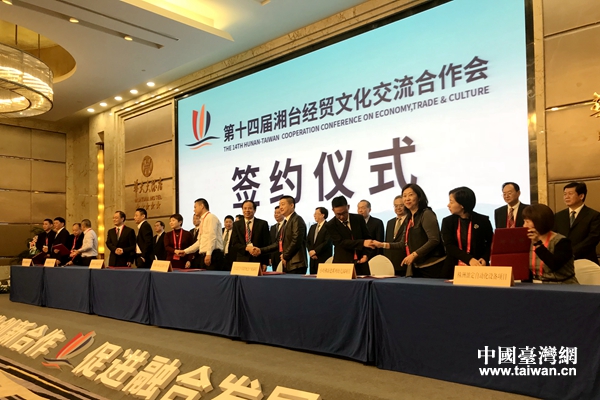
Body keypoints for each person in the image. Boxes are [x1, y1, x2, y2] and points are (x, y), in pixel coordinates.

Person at [375, 184, 445, 278]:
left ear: (419, 197)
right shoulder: (408, 218)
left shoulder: (426, 214)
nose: (407, 198)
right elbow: (403, 243)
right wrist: (381, 244)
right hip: (417, 266)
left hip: (432, 265)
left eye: (410, 195)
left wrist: (414, 255)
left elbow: (434, 240)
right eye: (404, 196)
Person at [441, 187, 494, 278]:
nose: (448, 205)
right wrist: (469, 259)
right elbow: (449, 245)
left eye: (451, 202)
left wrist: (485, 258)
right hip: (453, 268)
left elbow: (490, 242)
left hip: (478, 267)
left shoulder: (483, 220)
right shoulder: (448, 222)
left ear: (462, 205)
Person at [524, 204, 578, 284]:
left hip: (563, 285)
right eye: (524, 222)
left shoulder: (562, 242)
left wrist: (538, 244)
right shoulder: (528, 242)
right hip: (538, 286)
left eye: (527, 222)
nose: (524, 225)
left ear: (539, 222)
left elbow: (554, 265)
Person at [253, 195, 307, 274]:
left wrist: (285, 255)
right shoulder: (285, 222)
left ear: (292, 205)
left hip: (296, 264)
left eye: (283, 204)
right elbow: (278, 243)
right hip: (288, 263)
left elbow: (296, 241)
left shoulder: (297, 219)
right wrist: (261, 250)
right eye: (279, 204)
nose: (280, 207)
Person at [325, 196, 374, 276]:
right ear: (333, 210)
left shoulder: (358, 219)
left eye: (344, 213)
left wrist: (366, 255)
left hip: (361, 264)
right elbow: (341, 242)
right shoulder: (330, 225)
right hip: (342, 264)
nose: (342, 217)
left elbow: (367, 237)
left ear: (348, 207)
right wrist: (362, 243)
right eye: (338, 214)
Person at [554, 182, 600, 264]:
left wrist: (571, 253)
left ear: (581, 196)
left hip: (586, 261)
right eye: (565, 194)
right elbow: (554, 235)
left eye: (570, 193)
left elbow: (593, 239)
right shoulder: (558, 216)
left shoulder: (594, 215)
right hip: (563, 262)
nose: (566, 197)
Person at [177, 198, 224, 270]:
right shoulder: (203, 220)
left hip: (213, 254)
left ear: (202, 206)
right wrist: (185, 251)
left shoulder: (210, 217)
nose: (194, 210)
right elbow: (199, 242)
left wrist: (209, 254)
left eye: (195, 207)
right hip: (205, 255)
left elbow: (212, 237)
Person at [230, 201, 270, 270]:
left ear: (255, 210)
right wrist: (248, 248)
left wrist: (265, 262)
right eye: (245, 208)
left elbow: (266, 244)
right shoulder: (236, 224)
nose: (247, 210)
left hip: (258, 259)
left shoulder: (262, 224)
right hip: (241, 259)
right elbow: (235, 243)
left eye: (250, 208)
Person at [384, 195, 408, 276]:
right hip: (390, 263)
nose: (398, 208)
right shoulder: (390, 222)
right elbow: (387, 241)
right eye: (396, 206)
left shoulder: (410, 220)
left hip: (405, 261)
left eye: (401, 205)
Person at [307, 207, 333, 274]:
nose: (314, 215)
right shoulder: (312, 227)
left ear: (322, 215)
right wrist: (311, 252)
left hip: (323, 258)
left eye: (316, 213)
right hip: (313, 260)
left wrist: (315, 251)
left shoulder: (329, 226)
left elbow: (327, 242)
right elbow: (307, 241)